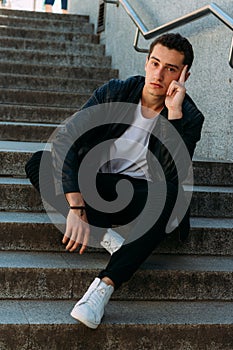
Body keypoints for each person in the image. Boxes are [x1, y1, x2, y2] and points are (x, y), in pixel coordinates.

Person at [25, 33, 204, 329]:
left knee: (169, 192)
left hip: (144, 198)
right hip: (100, 188)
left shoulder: (189, 117)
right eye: (155, 63)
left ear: (184, 75)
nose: (159, 74)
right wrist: (76, 205)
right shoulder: (115, 92)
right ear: (146, 62)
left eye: (171, 69)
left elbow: (171, 174)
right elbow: (66, 139)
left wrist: (173, 114)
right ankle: (106, 236)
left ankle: (103, 288)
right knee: (38, 162)